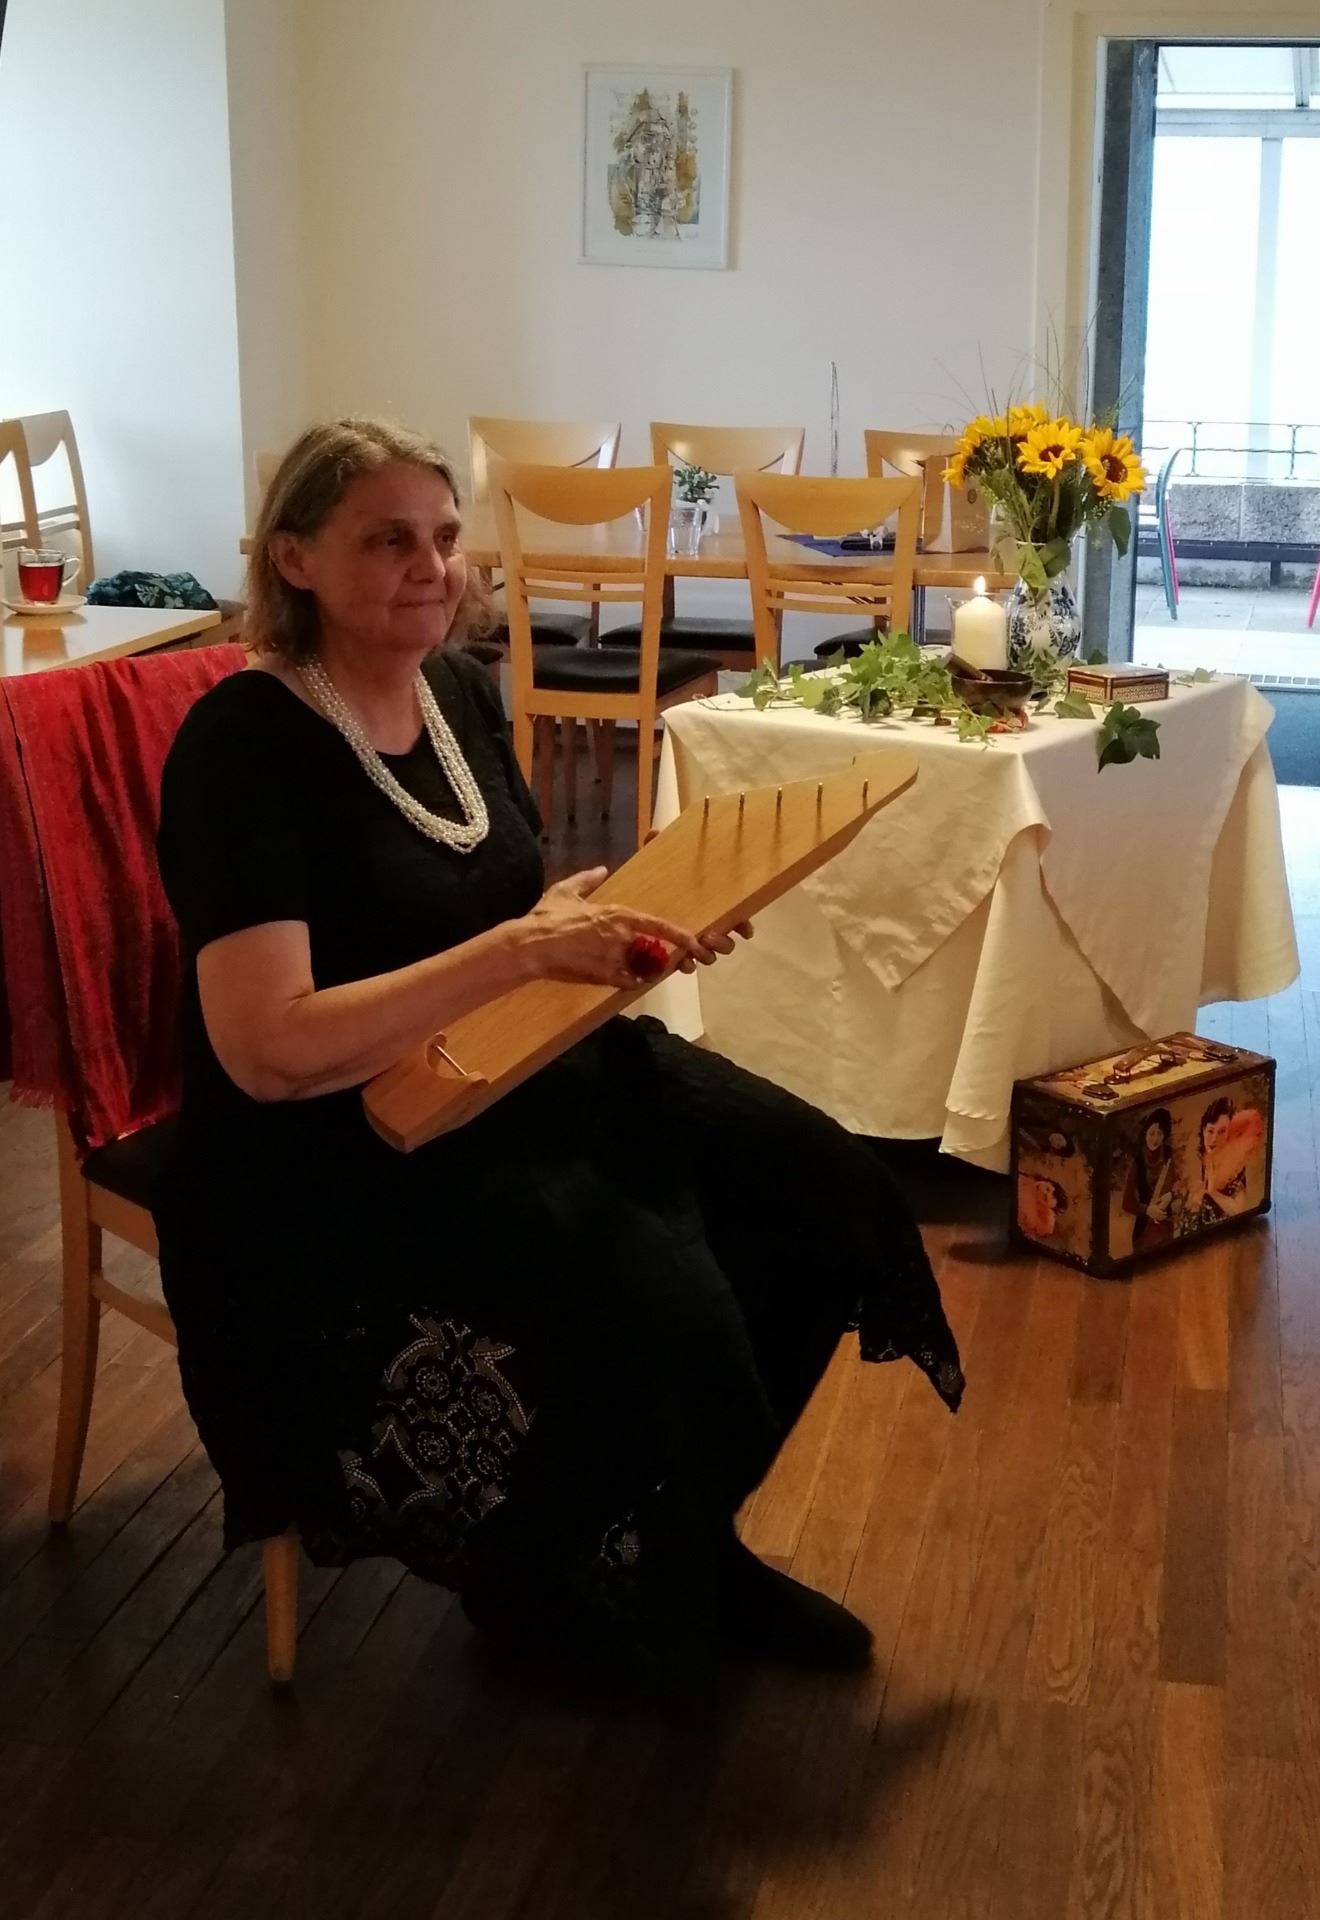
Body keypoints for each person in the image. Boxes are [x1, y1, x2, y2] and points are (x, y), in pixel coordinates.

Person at [155, 417, 963, 1687]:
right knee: (668, 1303)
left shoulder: (459, 691)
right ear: (294, 559)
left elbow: (504, 910)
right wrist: (524, 952)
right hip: (340, 1139)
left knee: (832, 1192)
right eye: (388, 540)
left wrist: (635, 921)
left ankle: (689, 1542)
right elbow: (268, 1051)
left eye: (444, 536)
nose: (433, 566)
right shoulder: (242, 748)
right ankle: (534, 1574)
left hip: (510, 1061)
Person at [1121, 1107, 1176, 1252]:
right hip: (1144, 1229)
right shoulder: (1137, 1162)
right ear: (1145, 1133)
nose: (1155, 1139)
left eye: (1160, 1134)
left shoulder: (1170, 1155)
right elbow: (1127, 1203)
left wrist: (1170, 1196)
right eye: (1152, 1133)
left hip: (1166, 1224)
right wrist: (1148, 1210)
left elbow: (1182, 1183)